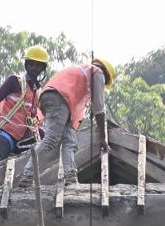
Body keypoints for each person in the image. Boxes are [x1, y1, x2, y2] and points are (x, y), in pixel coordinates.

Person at [34, 57, 116, 185]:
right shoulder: (97, 72)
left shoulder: (80, 71)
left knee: (70, 141)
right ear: (104, 73)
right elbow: (99, 109)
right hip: (59, 100)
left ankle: (70, 177)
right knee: (52, 139)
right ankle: (27, 175)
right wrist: (103, 137)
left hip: (54, 100)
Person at [0, 46, 50, 164]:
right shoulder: (14, 81)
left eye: (38, 65)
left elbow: (45, 116)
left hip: (25, 139)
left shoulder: (38, 91)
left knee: (46, 140)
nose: (34, 68)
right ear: (26, 65)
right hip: (6, 135)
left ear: (43, 68)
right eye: (31, 64)